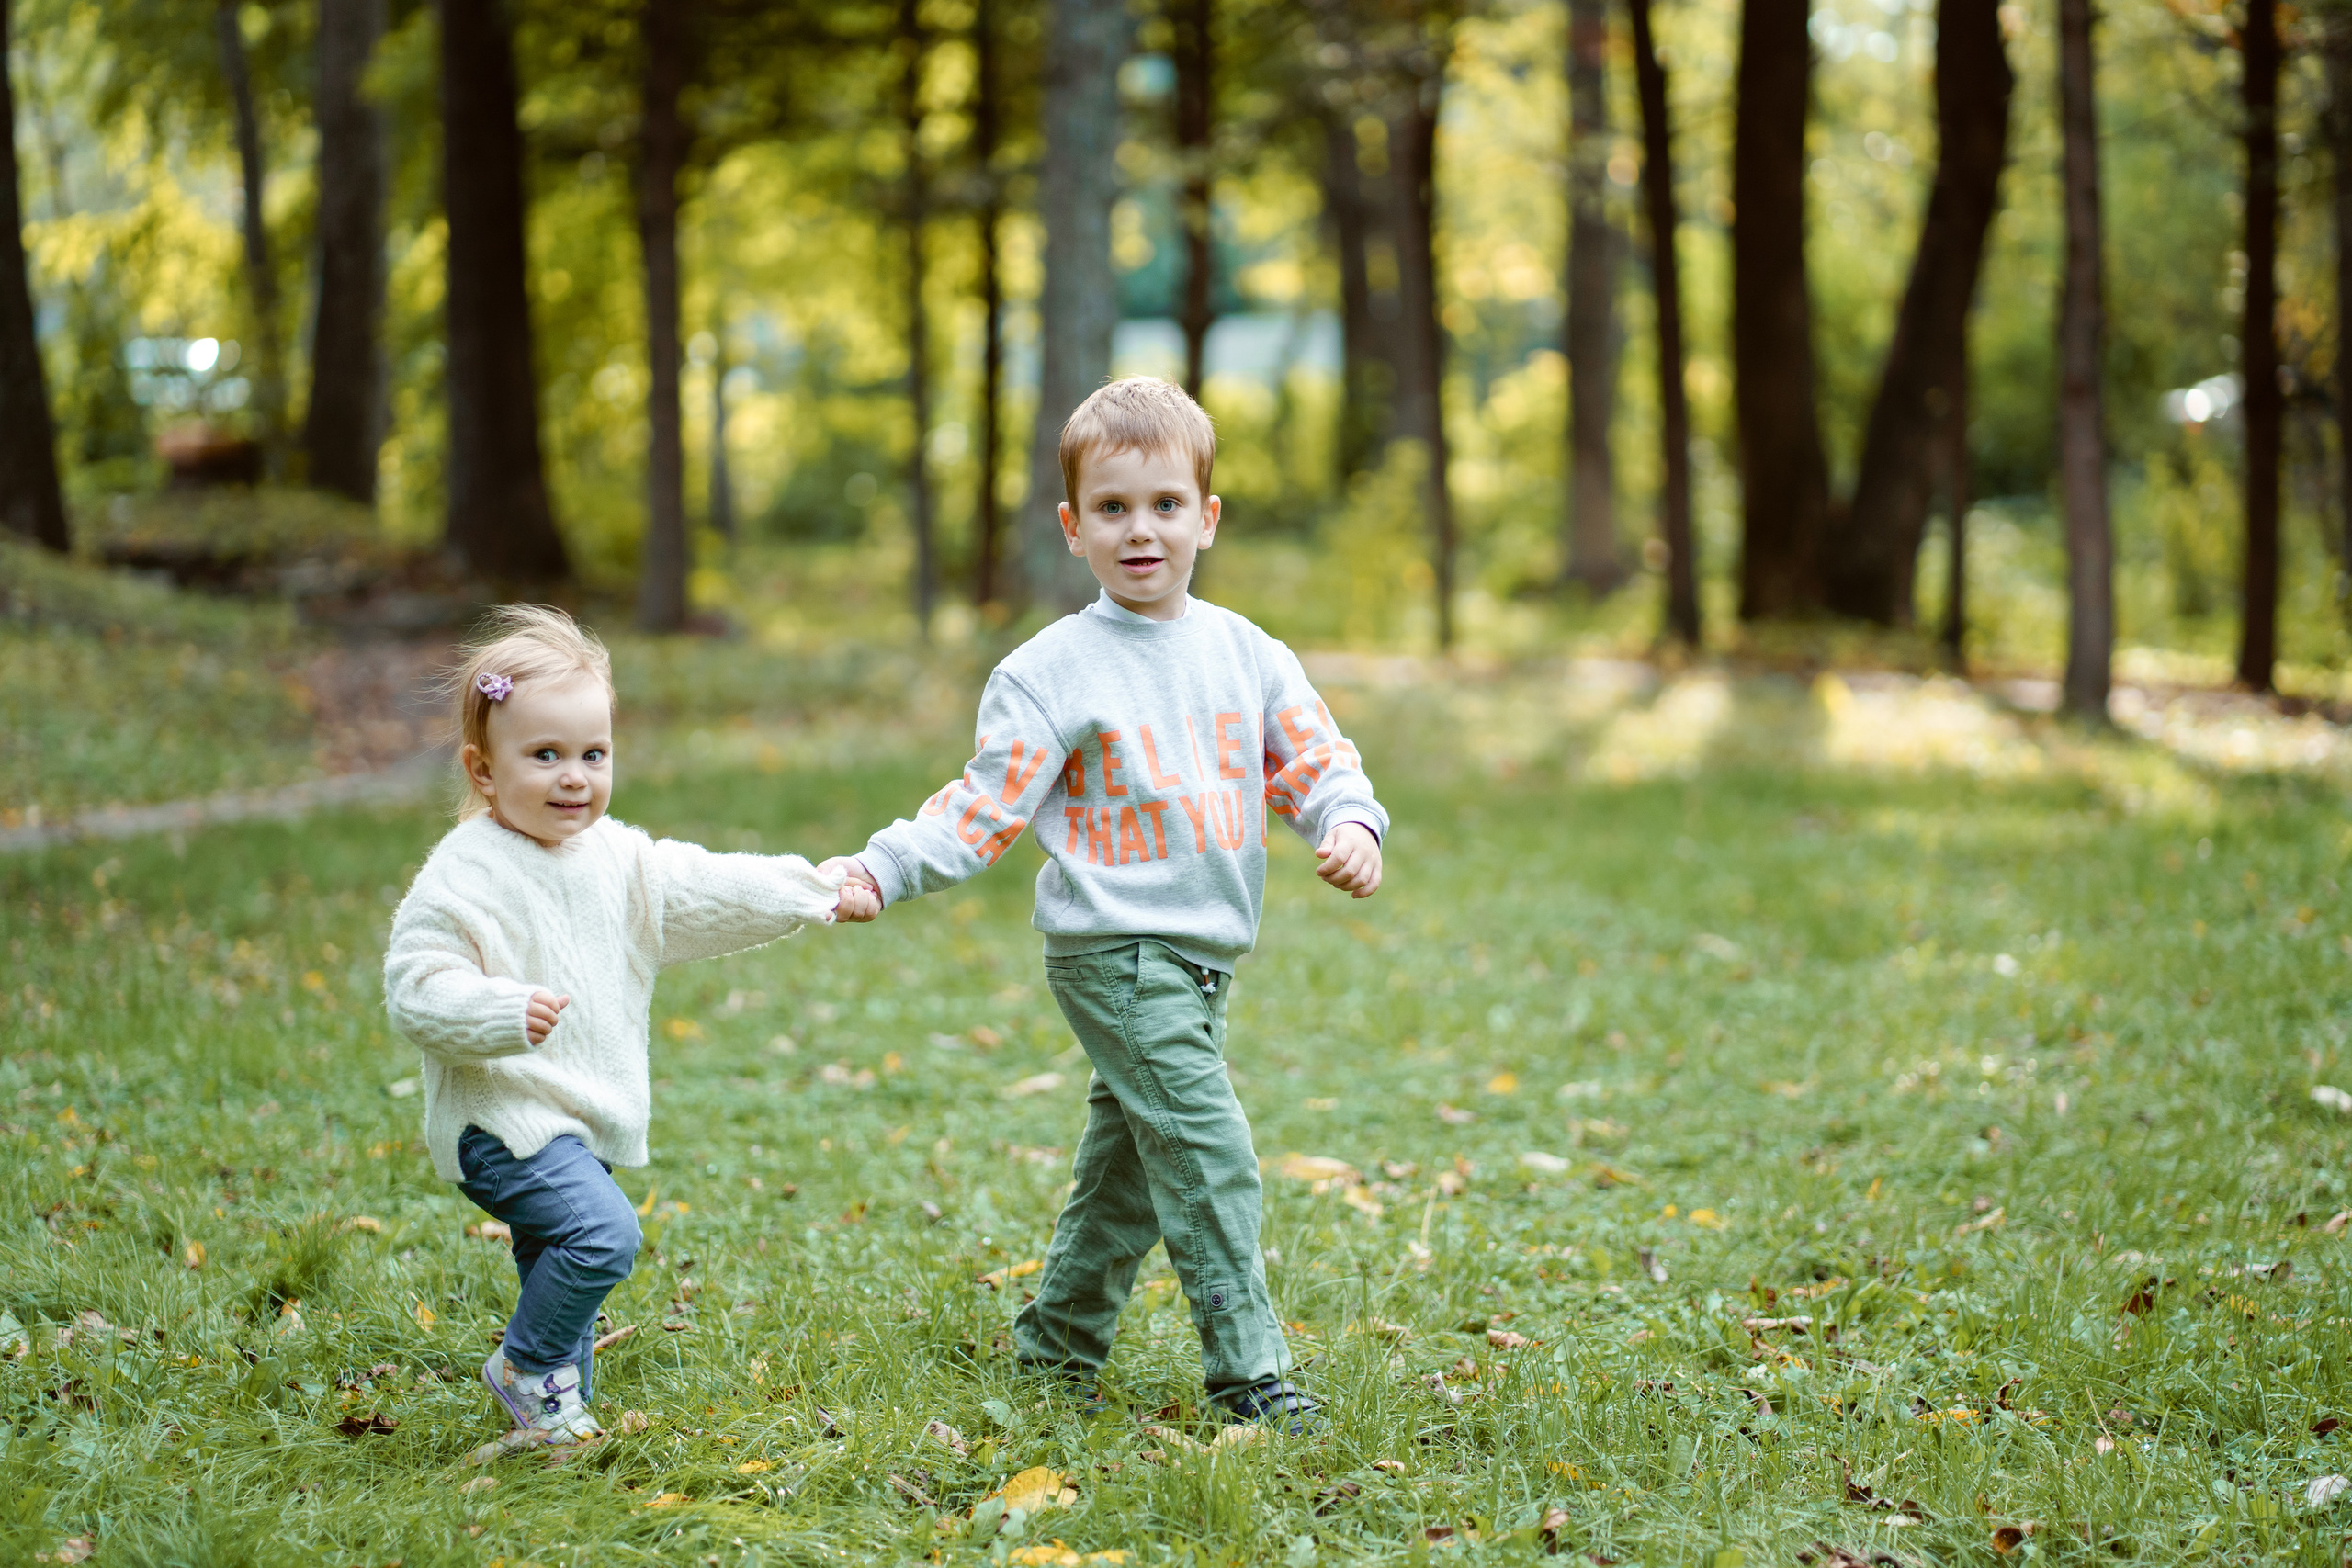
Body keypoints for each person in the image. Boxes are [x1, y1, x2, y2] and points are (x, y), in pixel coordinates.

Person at [837, 378, 1388, 1431]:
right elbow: (980, 807)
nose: (1142, 530)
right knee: (1209, 1151)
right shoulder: (1051, 672)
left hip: (1200, 958)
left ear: (1207, 518)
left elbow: (1315, 760)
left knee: (1134, 1167)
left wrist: (1348, 823)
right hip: (1115, 953)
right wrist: (881, 867)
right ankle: (1251, 1375)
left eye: (1166, 505)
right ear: (1073, 527)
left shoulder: (1247, 654)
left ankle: (1055, 1348)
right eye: (1114, 509)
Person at [383, 604, 879, 1463]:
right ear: (484, 769)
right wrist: (499, 1011)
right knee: (601, 1234)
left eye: (593, 754)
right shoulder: (464, 872)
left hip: (580, 1116)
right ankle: (528, 1366)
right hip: (501, 1120)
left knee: (554, 1252)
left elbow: (707, 886)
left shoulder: (617, 860)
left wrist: (812, 889)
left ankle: (553, 1416)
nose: (574, 776)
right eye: (545, 755)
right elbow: (415, 989)